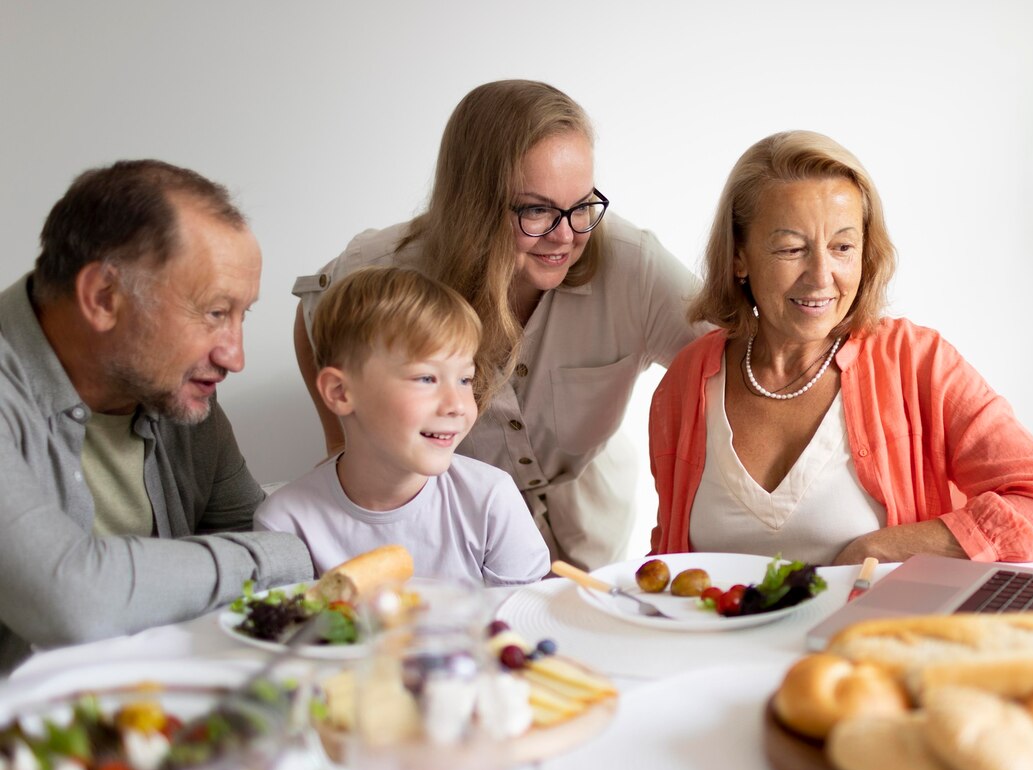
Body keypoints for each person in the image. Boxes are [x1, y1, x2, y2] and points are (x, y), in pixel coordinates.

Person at [293, 80, 701, 571]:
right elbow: (314, 313)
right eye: (536, 209)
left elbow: (731, 357)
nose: (566, 236)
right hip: (450, 538)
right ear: (475, 204)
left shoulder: (634, 265)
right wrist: (341, 443)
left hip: (591, 532)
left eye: (582, 205)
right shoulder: (382, 266)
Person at [649, 131, 1033, 565]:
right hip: (722, 640)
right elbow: (668, 565)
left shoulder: (919, 364)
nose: (821, 275)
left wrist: (881, 547)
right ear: (739, 257)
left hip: (865, 638)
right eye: (791, 248)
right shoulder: (686, 384)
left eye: (843, 246)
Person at [0, 160, 312, 674]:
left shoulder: (178, 395)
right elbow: (71, 595)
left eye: (242, 315)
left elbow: (259, 537)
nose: (235, 357)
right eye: (215, 312)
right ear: (103, 298)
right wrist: (276, 556)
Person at [257, 266, 549, 585]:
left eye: (465, 379)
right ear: (341, 392)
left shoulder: (491, 498)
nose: (457, 405)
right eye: (426, 378)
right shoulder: (285, 522)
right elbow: (289, 629)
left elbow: (524, 622)